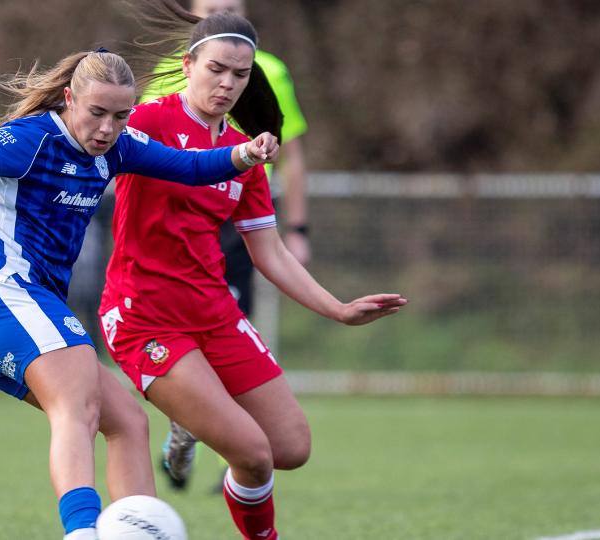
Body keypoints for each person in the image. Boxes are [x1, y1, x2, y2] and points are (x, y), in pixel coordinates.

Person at [0, 50, 279, 540]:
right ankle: (82, 533)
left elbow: (189, 167)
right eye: (97, 113)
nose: (108, 127)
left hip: (32, 308)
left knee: (128, 422)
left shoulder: (118, 147)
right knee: (80, 406)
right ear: (70, 99)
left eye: (121, 115)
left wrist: (245, 154)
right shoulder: (31, 139)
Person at [97, 5, 407, 539]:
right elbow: (80, 154)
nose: (227, 83)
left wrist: (337, 308)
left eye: (240, 75)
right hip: (144, 318)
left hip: (214, 313)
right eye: (216, 69)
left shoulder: (246, 153)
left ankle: (191, 422)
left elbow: (270, 253)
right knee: (255, 453)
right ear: (190, 64)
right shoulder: (146, 122)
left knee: (290, 449)